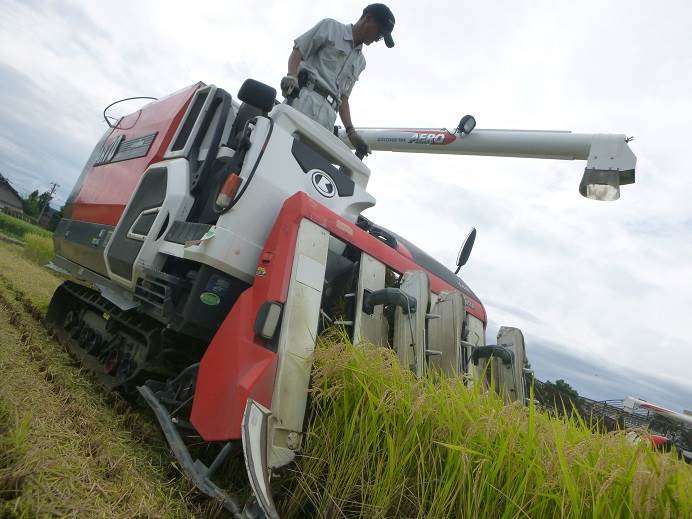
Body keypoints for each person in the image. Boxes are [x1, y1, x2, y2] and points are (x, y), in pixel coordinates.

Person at [280, 4, 395, 156]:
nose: (377, 39)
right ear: (368, 19)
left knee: (306, 164)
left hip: (328, 117)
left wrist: (351, 132)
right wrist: (291, 76)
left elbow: (344, 97)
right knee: (280, 148)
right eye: (379, 33)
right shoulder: (330, 27)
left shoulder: (361, 62)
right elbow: (299, 50)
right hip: (304, 99)